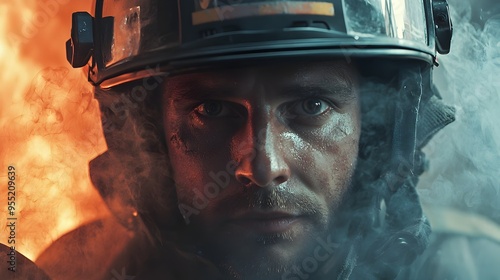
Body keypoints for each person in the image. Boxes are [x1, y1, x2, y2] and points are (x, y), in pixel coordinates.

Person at [22, 0, 479, 279]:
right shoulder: (75, 272)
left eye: (311, 106)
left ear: (376, 128)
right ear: (149, 135)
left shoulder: (473, 270)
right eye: (211, 110)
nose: (262, 167)